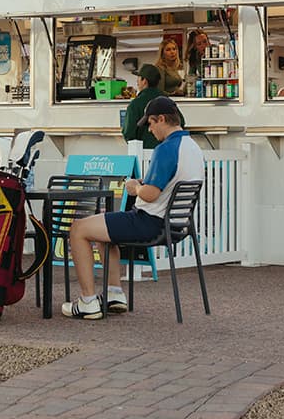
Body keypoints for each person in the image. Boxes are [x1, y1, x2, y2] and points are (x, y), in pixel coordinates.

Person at [63, 95, 204, 319]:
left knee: (78, 229)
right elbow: (168, 185)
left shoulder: (167, 148)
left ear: (161, 119)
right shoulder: (193, 148)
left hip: (149, 223)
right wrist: (143, 184)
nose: (149, 130)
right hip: (177, 224)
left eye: (150, 123)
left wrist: (135, 187)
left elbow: (150, 194)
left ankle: (87, 302)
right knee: (101, 232)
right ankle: (114, 294)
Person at [122, 64, 185, 149]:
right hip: (169, 149)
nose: (137, 81)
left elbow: (128, 133)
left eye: (139, 78)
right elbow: (180, 123)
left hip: (143, 152)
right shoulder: (167, 101)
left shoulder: (135, 104)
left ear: (144, 81)